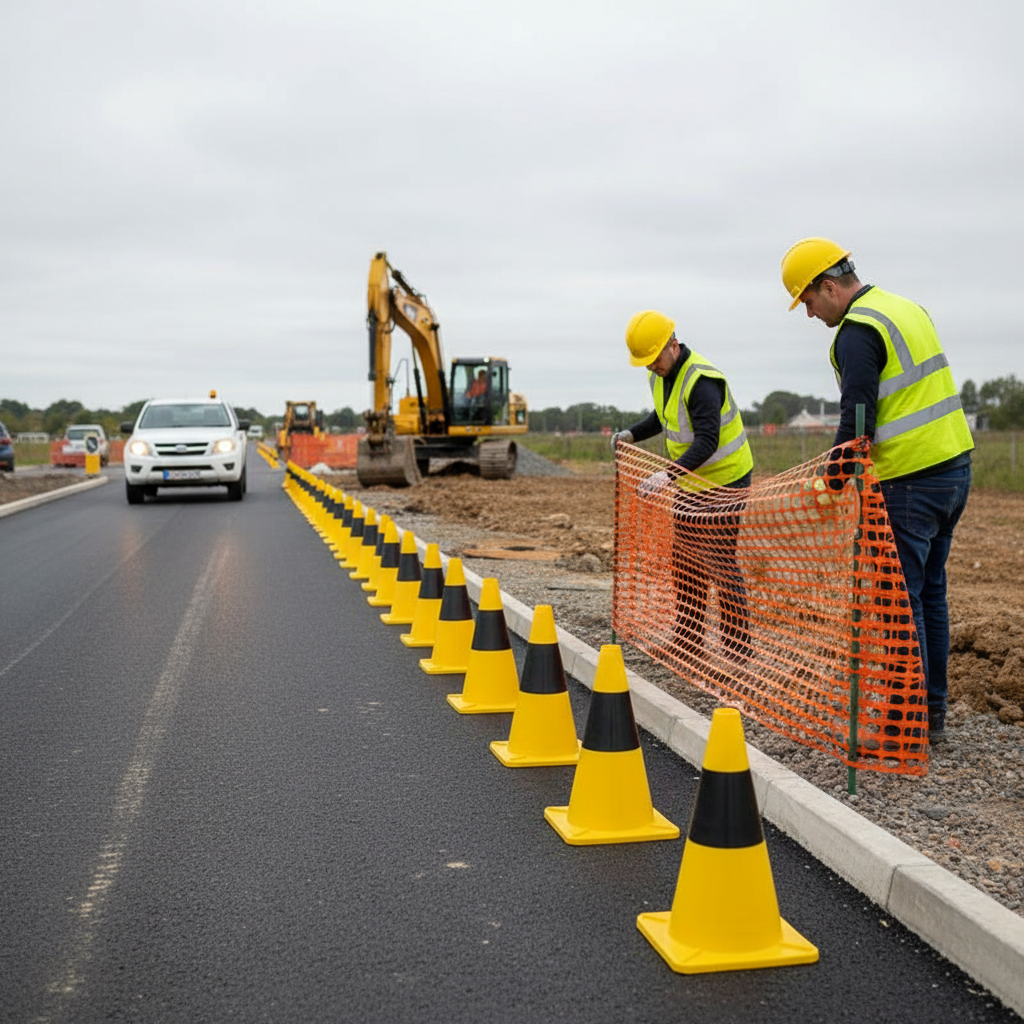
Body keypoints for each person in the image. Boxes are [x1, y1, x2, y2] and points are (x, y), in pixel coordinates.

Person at [781, 237, 974, 745]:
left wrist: (829, 485)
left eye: (807, 301)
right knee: (929, 596)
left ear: (828, 286)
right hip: (955, 468)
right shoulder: (905, 308)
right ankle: (930, 717)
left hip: (910, 481)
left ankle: (899, 728)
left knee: (899, 605)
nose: (808, 314)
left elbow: (858, 421)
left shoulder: (857, 331)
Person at [612, 310, 754, 661]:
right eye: (645, 362)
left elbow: (706, 441)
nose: (651, 367)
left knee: (720, 563)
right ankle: (688, 641)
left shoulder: (702, 381)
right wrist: (632, 434)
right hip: (690, 484)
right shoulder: (659, 375)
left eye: (654, 359)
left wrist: (666, 476)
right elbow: (663, 417)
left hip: (724, 481)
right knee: (685, 561)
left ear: (673, 345)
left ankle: (738, 650)